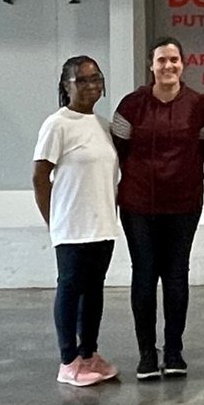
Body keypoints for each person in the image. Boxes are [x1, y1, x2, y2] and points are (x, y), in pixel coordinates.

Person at [111, 37, 204, 380]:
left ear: (183, 64)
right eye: (161, 61)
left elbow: (203, 147)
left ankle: (173, 351)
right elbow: (119, 148)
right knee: (143, 275)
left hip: (184, 205)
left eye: (174, 60)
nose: (167, 66)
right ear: (151, 66)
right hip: (138, 204)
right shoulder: (130, 105)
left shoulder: (199, 105)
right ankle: (145, 354)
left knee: (175, 277)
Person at [33, 56, 120, 387]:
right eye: (81, 80)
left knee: (94, 290)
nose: (90, 85)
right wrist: (53, 221)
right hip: (71, 225)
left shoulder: (103, 125)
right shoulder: (57, 124)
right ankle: (68, 360)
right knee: (70, 289)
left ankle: (89, 354)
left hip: (102, 224)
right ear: (65, 86)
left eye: (95, 78)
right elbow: (40, 176)